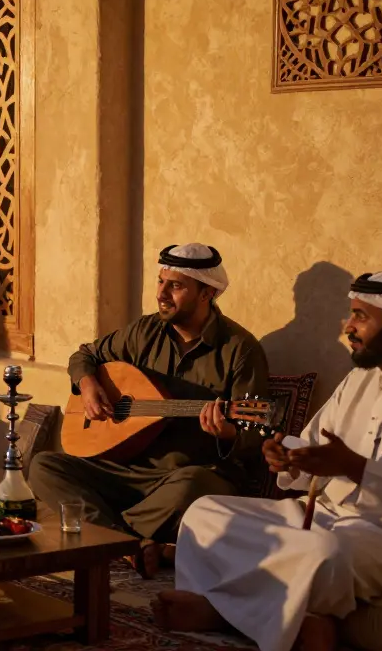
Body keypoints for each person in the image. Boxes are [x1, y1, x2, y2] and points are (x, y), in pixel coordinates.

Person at [156, 269, 382, 651]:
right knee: (205, 514)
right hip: (329, 516)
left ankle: (219, 612)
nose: (348, 327)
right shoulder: (359, 381)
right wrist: (289, 457)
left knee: (322, 554)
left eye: (361, 317)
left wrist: (353, 467)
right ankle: (284, 616)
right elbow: (315, 449)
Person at [29, 243, 269, 577]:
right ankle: (133, 541)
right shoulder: (145, 331)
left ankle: (107, 534)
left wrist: (228, 433)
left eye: (176, 286)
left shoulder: (240, 350)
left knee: (195, 486)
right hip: (125, 468)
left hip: (183, 477)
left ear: (207, 293)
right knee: (44, 466)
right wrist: (88, 385)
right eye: (160, 282)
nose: (162, 294)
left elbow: (255, 435)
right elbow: (85, 356)